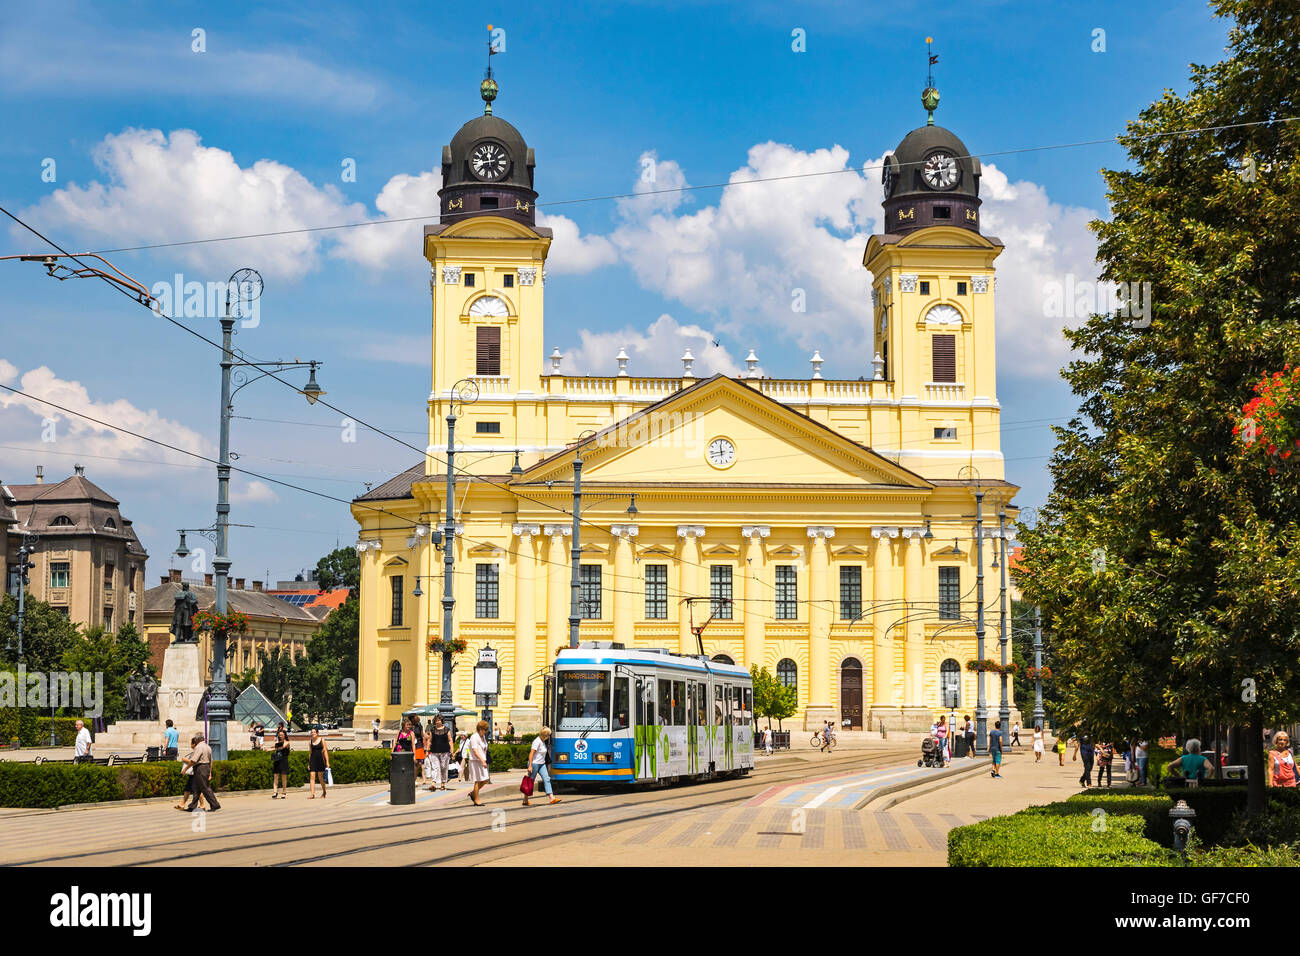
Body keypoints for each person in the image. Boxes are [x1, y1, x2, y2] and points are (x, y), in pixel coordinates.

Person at [522, 727, 561, 806]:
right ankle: (525, 800)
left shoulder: (543, 742)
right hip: (534, 764)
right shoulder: (537, 741)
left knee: (547, 779)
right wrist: (530, 766)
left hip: (542, 764)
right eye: (549, 735)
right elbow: (531, 754)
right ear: (545, 735)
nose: (549, 736)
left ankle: (552, 798)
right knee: (530, 782)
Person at [182, 734, 220, 812]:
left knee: (205, 788)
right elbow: (211, 761)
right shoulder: (207, 747)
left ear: (196, 740)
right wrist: (210, 772)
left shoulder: (199, 747)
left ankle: (215, 805)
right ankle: (192, 806)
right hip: (205, 767)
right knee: (196, 788)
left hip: (200, 768)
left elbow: (194, 760)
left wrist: (185, 768)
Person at [175, 734, 206, 811]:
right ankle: (182, 804)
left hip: (195, 773)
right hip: (194, 773)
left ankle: (202, 805)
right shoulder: (197, 751)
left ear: (194, 744)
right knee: (188, 789)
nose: (190, 745)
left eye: (191, 743)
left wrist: (185, 760)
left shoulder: (197, 751)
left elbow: (194, 761)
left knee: (195, 789)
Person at [467, 720, 491, 806]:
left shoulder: (483, 737)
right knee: (477, 780)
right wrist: (482, 760)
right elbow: (475, 750)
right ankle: (476, 799)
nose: (486, 732)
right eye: (485, 730)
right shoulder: (474, 737)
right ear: (480, 729)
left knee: (485, 779)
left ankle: (473, 793)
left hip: (482, 760)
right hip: (475, 761)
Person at [426, 715, 453, 790]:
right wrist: (427, 750)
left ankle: (443, 783)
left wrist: (452, 750)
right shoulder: (433, 729)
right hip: (434, 751)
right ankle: (433, 783)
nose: (437, 722)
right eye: (436, 720)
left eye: (439, 720)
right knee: (435, 767)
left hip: (445, 752)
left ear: (442, 721)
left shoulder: (447, 729)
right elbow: (429, 740)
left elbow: (450, 740)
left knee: (443, 767)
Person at [308, 728, 330, 798]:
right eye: (312, 732)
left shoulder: (322, 740)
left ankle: (324, 791)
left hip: (320, 760)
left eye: (314, 732)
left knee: (320, 778)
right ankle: (312, 794)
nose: (313, 733)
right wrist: (309, 763)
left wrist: (327, 762)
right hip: (313, 761)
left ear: (317, 733)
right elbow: (310, 753)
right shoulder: (310, 742)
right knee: (312, 776)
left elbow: (325, 751)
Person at [271, 728, 291, 798]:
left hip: (283, 761)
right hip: (277, 760)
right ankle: (275, 792)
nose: (280, 736)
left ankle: (284, 792)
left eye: (282, 735)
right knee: (275, 776)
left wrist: (271, 749)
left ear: (285, 735)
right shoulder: (277, 742)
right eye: (279, 735)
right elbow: (275, 746)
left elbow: (282, 747)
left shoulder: (287, 742)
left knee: (283, 777)